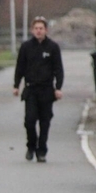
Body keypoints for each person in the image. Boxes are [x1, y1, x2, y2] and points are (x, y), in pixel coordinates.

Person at [13, 16, 64, 163]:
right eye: (36, 28)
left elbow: (58, 69)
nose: (38, 31)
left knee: (45, 121)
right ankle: (31, 146)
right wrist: (16, 85)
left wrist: (58, 87)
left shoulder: (53, 47)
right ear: (32, 30)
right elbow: (20, 67)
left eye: (41, 28)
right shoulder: (26, 47)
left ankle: (42, 150)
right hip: (31, 89)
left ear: (46, 30)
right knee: (29, 120)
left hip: (47, 90)